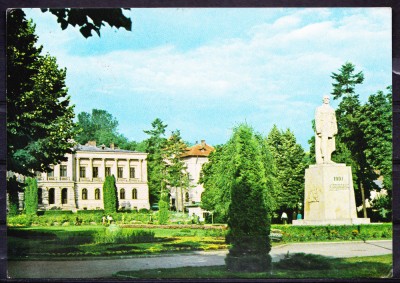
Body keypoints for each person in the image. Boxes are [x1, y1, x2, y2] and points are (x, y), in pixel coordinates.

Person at [315, 95, 338, 164]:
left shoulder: (332, 109)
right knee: (324, 142)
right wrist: (318, 129)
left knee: (330, 144)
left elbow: (334, 119)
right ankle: (324, 158)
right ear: (323, 100)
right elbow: (317, 119)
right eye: (325, 98)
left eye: (328, 98)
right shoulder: (319, 108)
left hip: (330, 128)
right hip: (323, 128)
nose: (326, 99)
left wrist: (335, 128)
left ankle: (328, 158)